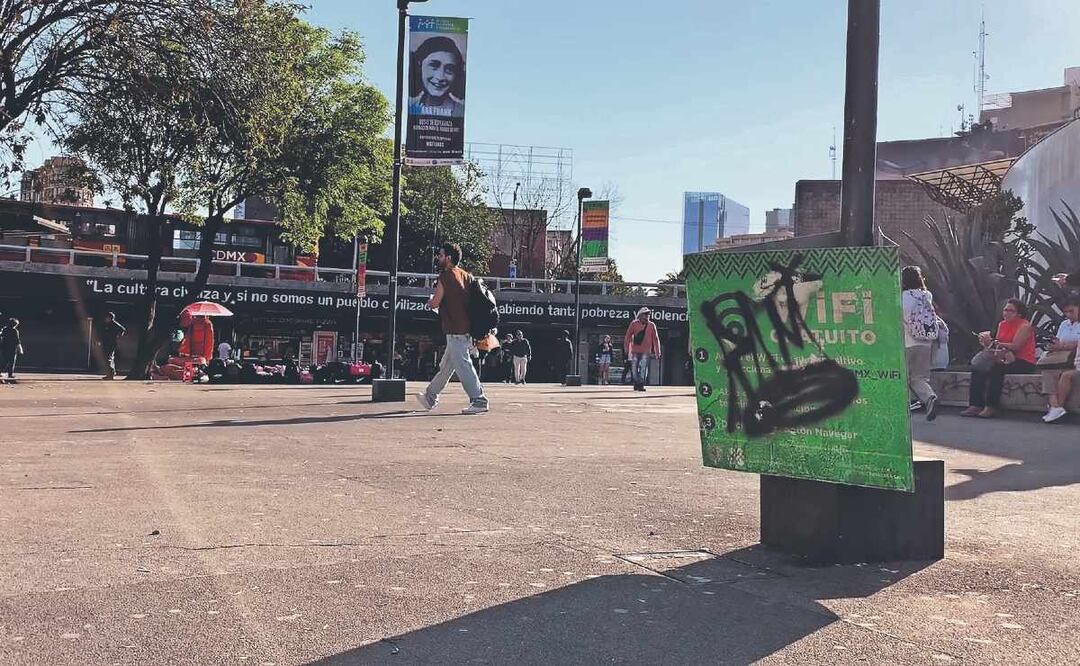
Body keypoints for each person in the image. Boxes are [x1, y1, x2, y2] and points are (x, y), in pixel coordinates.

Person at [415, 242, 488, 414]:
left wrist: (429, 303)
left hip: (455, 329)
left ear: (448, 258)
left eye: (440, 255)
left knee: (463, 364)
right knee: (447, 365)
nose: (438, 258)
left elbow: (435, 302)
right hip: (466, 328)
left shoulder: (446, 276)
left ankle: (479, 399)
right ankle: (430, 396)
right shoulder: (466, 275)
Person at [961, 298, 1036, 418]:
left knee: (997, 369)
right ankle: (975, 405)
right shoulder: (1002, 324)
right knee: (978, 368)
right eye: (1005, 310)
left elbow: (1016, 346)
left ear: (1019, 314)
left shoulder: (1025, 326)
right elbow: (997, 344)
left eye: (1010, 311)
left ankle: (991, 406)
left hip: (1023, 360)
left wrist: (995, 343)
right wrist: (987, 343)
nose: (1006, 313)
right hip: (1003, 357)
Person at [901, 266, 939, 421]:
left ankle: (904, 408)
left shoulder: (901, 297)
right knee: (919, 377)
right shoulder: (926, 295)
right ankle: (929, 397)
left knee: (903, 377)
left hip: (908, 342)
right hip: (926, 342)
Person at [1040, 296, 1080, 423]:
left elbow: (1077, 343)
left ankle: (1057, 407)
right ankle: (1055, 406)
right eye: (1066, 312)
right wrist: (1053, 345)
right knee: (1048, 372)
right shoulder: (1064, 324)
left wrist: (1062, 345)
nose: (1068, 314)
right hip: (1063, 358)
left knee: (1065, 375)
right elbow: (1059, 340)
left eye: (1071, 311)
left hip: (1075, 358)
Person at [408, 36, 466, 118]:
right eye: (434, 65)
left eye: (449, 69)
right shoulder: (411, 109)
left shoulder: (460, 113)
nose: (440, 77)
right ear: (419, 65)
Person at [624, 307, 661, 391]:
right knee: (634, 367)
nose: (647, 316)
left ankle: (641, 384)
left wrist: (657, 352)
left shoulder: (652, 325)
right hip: (635, 350)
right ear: (640, 315)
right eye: (645, 314)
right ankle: (637, 382)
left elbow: (655, 338)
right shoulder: (634, 324)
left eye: (648, 315)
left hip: (646, 351)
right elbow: (628, 336)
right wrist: (626, 347)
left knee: (644, 367)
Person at [99, 312, 126, 379]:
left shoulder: (114, 324)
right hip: (105, 343)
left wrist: (118, 336)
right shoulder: (106, 324)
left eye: (107, 317)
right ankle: (111, 372)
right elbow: (103, 334)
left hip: (111, 343)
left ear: (110, 318)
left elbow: (122, 330)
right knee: (108, 357)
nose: (105, 319)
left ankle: (110, 373)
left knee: (108, 358)